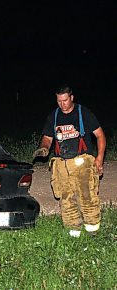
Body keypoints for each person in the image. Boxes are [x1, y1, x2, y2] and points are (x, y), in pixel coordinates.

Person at [33, 85, 106, 237]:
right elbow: (47, 137)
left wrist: (99, 158)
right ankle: (73, 232)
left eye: (65, 100)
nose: (62, 104)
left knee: (86, 196)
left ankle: (93, 231)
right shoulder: (53, 116)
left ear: (71, 98)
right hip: (61, 164)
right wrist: (44, 148)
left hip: (82, 161)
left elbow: (100, 135)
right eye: (59, 101)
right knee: (66, 198)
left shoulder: (83, 113)